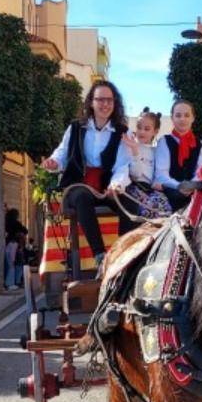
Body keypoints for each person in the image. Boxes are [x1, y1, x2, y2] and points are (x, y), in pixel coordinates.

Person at [41, 80, 133, 270]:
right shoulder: (75, 128)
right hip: (79, 185)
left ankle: (123, 253)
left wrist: (116, 186)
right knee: (82, 197)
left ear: (115, 103)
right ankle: (99, 255)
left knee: (128, 203)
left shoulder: (122, 131)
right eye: (100, 99)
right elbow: (62, 152)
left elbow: (123, 165)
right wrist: (53, 162)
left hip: (107, 186)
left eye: (109, 100)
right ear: (91, 102)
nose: (105, 104)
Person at [113, 107, 173, 220]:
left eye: (146, 129)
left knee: (166, 208)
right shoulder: (130, 146)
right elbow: (135, 174)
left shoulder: (156, 151)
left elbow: (159, 173)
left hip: (151, 190)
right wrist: (135, 151)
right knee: (147, 209)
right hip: (135, 187)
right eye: (139, 127)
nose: (141, 131)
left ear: (155, 131)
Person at [154, 100, 202, 212]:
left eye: (187, 115)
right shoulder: (164, 141)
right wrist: (179, 186)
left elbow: (201, 171)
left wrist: (191, 185)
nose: (182, 119)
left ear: (193, 118)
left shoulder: (200, 144)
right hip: (171, 191)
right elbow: (161, 174)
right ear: (172, 118)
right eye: (178, 115)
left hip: (192, 190)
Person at [4, 208, 28, 290]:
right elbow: (25, 230)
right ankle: (14, 282)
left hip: (8, 244)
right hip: (15, 245)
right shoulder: (16, 224)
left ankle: (13, 282)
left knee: (11, 264)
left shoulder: (5, 222)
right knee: (16, 264)